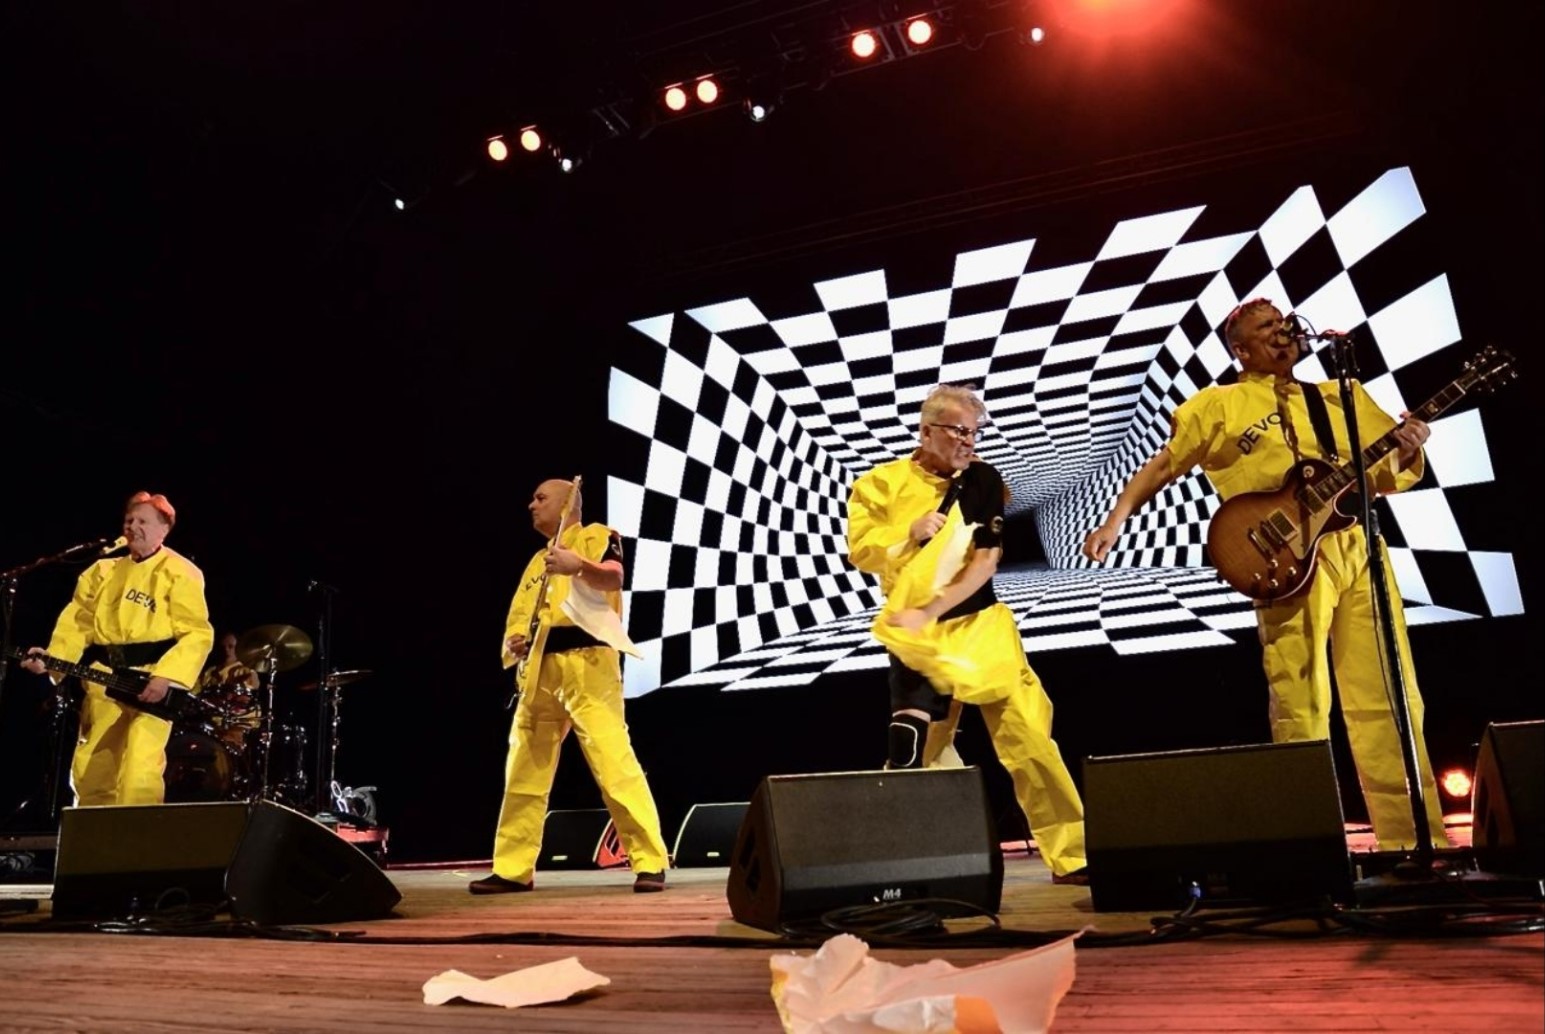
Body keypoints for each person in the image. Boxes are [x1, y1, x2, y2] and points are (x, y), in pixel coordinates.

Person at [1082, 297, 1447, 851]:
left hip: (1358, 547)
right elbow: (1163, 465)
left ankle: (1416, 840)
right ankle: (1312, 843)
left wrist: (1409, 444)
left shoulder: (1340, 396)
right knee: (1301, 700)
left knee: (1389, 693)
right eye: (1266, 327)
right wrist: (1115, 520)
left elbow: (1384, 474)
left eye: (1283, 322)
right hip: (1284, 557)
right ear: (1241, 350)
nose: (1282, 331)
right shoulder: (1218, 405)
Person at [847, 384, 1088, 883]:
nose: (968, 441)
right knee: (917, 751)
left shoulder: (982, 479)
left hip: (981, 626)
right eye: (958, 431)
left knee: (1029, 738)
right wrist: (907, 534)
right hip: (919, 634)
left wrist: (935, 606)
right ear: (926, 431)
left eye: (974, 432)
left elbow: (984, 562)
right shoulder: (879, 484)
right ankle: (903, 860)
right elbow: (862, 551)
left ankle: (1073, 855)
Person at [469, 478, 671, 894]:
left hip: (588, 663)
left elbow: (613, 577)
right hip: (540, 670)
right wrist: (515, 642)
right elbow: (519, 617)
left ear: (566, 504)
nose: (532, 504)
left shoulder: (597, 535)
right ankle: (513, 868)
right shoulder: (536, 562)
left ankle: (650, 859)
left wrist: (577, 565)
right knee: (523, 771)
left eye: (541, 497)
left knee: (614, 763)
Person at [20, 491, 214, 806]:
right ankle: (94, 833)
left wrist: (167, 676)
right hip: (105, 677)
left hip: (150, 680)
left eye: (143, 521)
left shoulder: (180, 571)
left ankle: (137, 834)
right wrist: (52, 661)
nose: (132, 526)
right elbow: (77, 623)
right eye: (129, 520)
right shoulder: (101, 571)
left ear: (164, 528)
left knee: (140, 766)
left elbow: (197, 632)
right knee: (93, 766)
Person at [198, 630, 262, 748]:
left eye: (231, 646)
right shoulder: (210, 672)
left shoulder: (246, 670)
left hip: (240, 722)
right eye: (223, 647)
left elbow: (252, 692)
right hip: (212, 722)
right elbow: (196, 694)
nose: (226, 650)